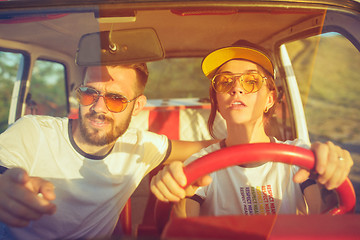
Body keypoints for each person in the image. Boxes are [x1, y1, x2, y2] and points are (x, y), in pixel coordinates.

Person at [0, 63, 214, 239]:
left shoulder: (140, 147)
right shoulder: (33, 131)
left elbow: (212, 148)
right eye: (88, 93)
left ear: (137, 106)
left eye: (116, 99)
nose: (98, 107)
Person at [150, 41, 353, 217]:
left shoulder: (298, 156)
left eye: (251, 81)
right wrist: (178, 198)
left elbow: (322, 219)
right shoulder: (199, 165)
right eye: (224, 81)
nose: (236, 87)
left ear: (270, 99)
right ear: (217, 100)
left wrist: (331, 172)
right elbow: (182, 232)